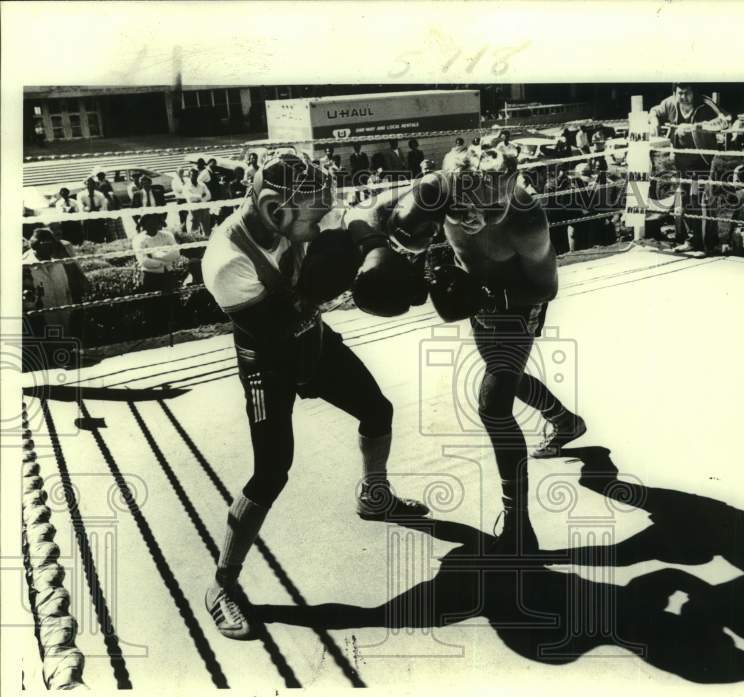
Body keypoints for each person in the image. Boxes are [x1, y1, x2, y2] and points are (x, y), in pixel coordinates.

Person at [200, 152, 428, 639]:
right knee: (272, 469)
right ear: (272, 208)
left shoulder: (287, 214)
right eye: (312, 214)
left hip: (311, 337)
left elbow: (356, 214)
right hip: (268, 358)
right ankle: (223, 584)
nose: (321, 220)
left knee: (377, 410)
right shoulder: (226, 262)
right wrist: (340, 280)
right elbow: (280, 327)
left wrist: (370, 244)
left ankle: (374, 494)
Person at [345, 148, 587, 555]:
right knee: (504, 376)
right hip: (476, 297)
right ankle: (565, 421)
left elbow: (545, 288)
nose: (489, 216)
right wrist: (374, 250)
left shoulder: (526, 219)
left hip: (518, 302)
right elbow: (366, 213)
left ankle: (518, 524)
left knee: (494, 403)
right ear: (458, 188)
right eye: (480, 205)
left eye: (498, 206)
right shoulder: (436, 189)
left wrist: (486, 294)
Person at [649, 83, 729, 256]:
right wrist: (654, 120)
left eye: (687, 93)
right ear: (674, 92)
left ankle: (708, 244)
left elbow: (725, 121)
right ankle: (692, 241)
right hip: (682, 163)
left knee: (702, 201)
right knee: (686, 202)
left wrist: (698, 127)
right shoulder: (670, 103)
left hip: (704, 162)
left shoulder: (705, 103)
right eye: (680, 93)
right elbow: (655, 110)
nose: (683, 97)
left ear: (694, 92)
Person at [76, 176, 108, 243]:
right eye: (88, 184)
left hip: (98, 218)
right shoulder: (81, 195)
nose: (90, 186)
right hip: (88, 219)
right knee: (89, 238)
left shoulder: (100, 195)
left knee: (100, 238)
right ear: (85, 184)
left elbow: (104, 207)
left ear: (95, 184)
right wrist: (93, 209)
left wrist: (96, 210)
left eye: (92, 184)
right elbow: (81, 208)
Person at [171, 167, 191, 232]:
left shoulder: (186, 179)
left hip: (187, 199)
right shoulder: (174, 181)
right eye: (180, 172)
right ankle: (183, 230)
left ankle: (187, 229)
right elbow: (179, 190)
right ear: (176, 173)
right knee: (182, 216)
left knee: (188, 214)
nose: (181, 173)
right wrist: (185, 188)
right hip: (180, 199)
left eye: (182, 172)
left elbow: (190, 187)